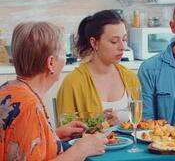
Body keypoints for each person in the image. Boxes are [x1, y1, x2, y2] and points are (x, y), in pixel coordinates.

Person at [0, 22, 107, 160]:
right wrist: (80, 150)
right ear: (51, 63)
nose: (65, 59)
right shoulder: (29, 106)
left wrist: (52, 135)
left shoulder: (8, 89)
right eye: (63, 53)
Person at [56, 10, 140, 126]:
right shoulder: (73, 83)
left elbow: (140, 126)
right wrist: (98, 123)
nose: (123, 47)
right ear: (94, 43)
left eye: (124, 39)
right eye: (114, 41)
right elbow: (65, 136)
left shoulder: (131, 78)